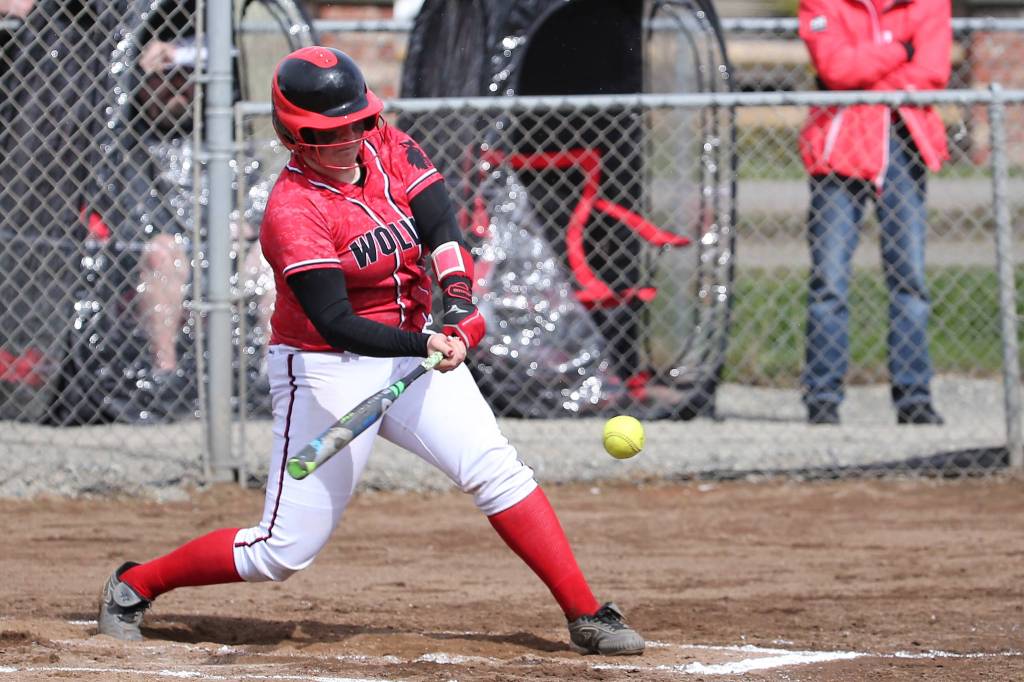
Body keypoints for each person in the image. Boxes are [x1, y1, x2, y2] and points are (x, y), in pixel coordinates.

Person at [97, 46, 646, 657]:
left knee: (495, 469)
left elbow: (440, 225)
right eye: (332, 133)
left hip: (417, 350)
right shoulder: (293, 210)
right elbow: (335, 323)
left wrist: (458, 302)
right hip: (327, 368)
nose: (352, 139)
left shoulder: (386, 142)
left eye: (357, 122)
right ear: (295, 137)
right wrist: (427, 341)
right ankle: (133, 584)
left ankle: (585, 614)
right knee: (282, 551)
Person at [798, 0, 951, 425]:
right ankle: (823, 399)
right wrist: (900, 51)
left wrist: (864, 72)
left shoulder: (928, 4)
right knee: (829, 281)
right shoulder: (821, 3)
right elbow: (835, 70)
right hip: (839, 149)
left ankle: (913, 398)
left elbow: (933, 73)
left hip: (904, 146)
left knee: (910, 280)